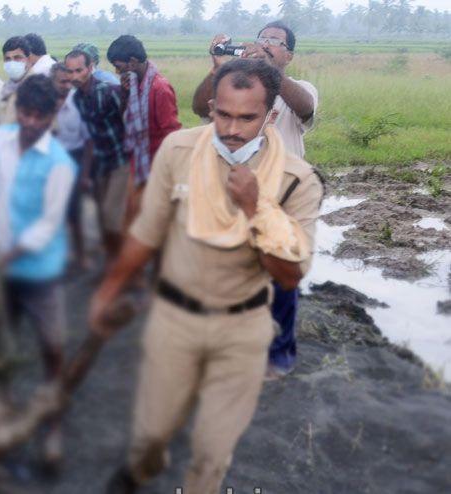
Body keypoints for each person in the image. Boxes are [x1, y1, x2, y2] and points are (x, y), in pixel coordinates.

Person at [89, 59, 323, 494]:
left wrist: (256, 208)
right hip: (175, 320)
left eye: (247, 117)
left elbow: (289, 276)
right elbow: (146, 232)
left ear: (270, 116)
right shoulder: (178, 151)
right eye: (224, 114)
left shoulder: (296, 180)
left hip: (242, 329)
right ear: (212, 107)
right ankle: (140, 471)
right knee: (151, 435)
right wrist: (108, 290)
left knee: (212, 451)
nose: (232, 128)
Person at [190, 21, 319, 378]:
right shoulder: (240, 86)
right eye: (262, 39)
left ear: (289, 55)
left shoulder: (299, 88)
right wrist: (217, 67)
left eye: (275, 43)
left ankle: (277, 358)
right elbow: (199, 106)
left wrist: (271, 70)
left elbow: (305, 107)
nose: (266, 45)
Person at [0, 74, 76, 466]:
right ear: (17, 111)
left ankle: (53, 425)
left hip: (39, 270)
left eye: (40, 116)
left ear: (53, 115)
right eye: (26, 113)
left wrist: (5, 256)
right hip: (0, 266)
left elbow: (48, 224)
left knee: (53, 346)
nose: (32, 122)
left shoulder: (60, 163)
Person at [106, 35, 182, 222]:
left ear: (132, 62)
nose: (117, 71)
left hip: (156, 163)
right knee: (132, 214)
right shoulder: (133, 83)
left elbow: (171, 133)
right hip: (138, 160)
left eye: (119, 66)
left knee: (149, 218)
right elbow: (124, 117)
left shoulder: (160, 88)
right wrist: (124, 94)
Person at [66, 48, 128, 259]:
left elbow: (130, 123)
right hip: (100, 162)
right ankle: (113, 261)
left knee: (113, 216)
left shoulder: (110, 91)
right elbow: (89, 136)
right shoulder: (77, 99)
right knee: (102, 217)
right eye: (70, 71)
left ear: (91, 68)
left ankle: (129, 269)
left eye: (79, 70)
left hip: (121, 160)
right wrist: (85, 173)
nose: (74, 76)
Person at [51, 63, 91, 269]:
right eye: (62, 81)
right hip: (49, 162)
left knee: (74, 211)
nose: (67, 85)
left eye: (69, 81)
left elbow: (87, 140)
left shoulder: (77, 102)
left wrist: (84, 174)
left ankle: (81, 255)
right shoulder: (44, 103)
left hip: (73, 158)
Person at [0, 36, 34, 125]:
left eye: (17, 57)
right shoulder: (7, 86)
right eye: (8, 59)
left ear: (28, 60)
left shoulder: (36, 86)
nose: (12, 63)